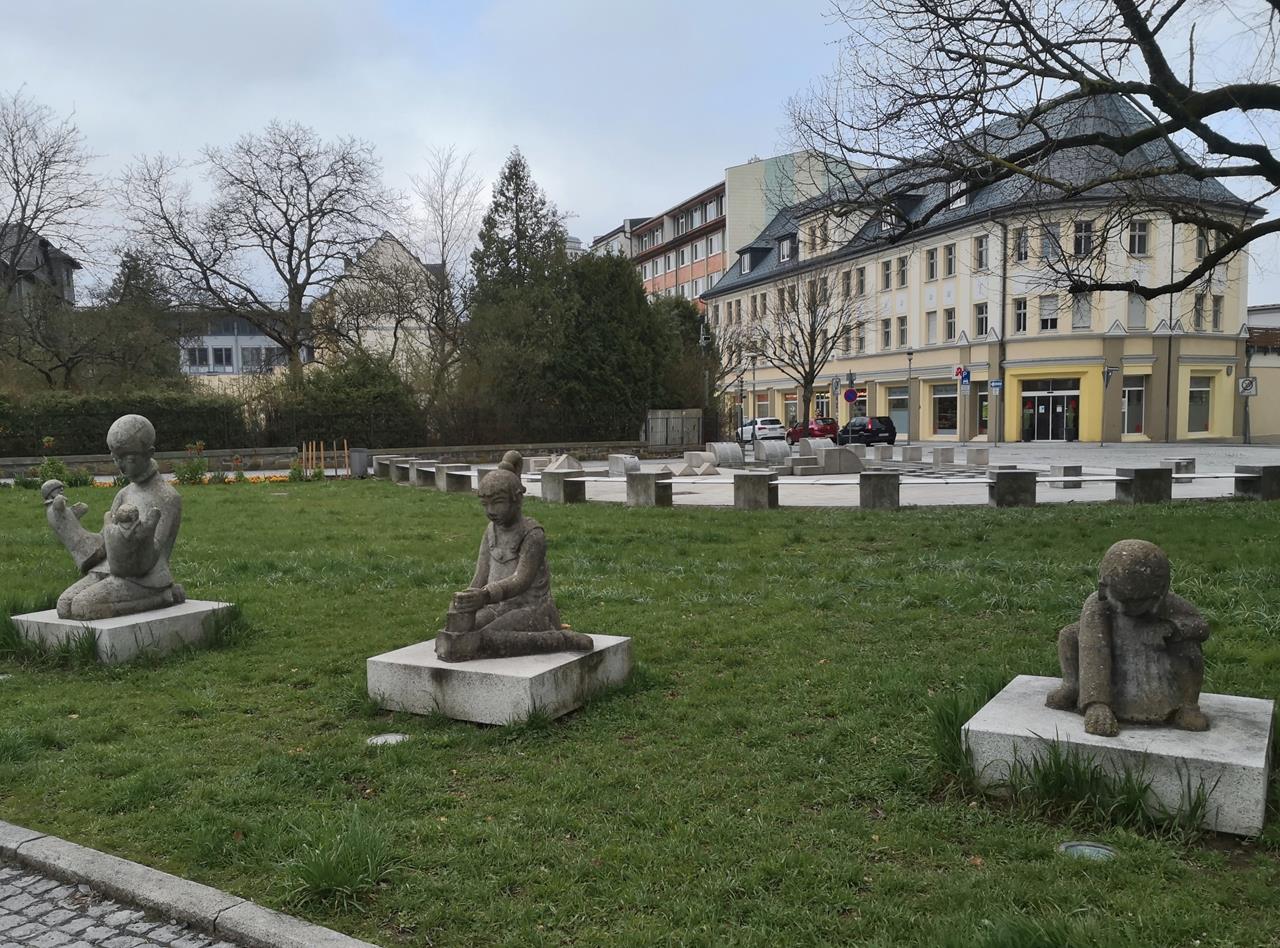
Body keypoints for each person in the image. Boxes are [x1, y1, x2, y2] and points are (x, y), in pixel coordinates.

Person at [436, 450, 592, 662]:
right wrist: (465, 601)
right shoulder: (490, 531)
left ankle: (560, 639)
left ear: (516, 499)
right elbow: (480, 576)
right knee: (458, 632)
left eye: (497, 502)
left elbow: (521, 581)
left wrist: (485, 595)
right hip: (496, 605)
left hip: (531, 608)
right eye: (485, 504)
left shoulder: (532, 534)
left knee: (485, 638)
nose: (490, 511)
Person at [1046, 539, 1209, 736]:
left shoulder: (1169, 604)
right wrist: (1096, 704)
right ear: (1103, 589)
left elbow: (1201, 627)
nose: (1130, 609)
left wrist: (1173, 629)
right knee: (1070, 635)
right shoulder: (1098, 605)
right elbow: (1094, 649)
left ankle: (1188, 707)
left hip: (1157, 673)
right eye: (1124, 601)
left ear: (1160, 591)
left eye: (1141, 601)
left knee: (1188, 646)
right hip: (1113, 675)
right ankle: (1072, 687)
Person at [53, 415, 185, 620]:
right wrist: (68, 524)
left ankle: (163, 595)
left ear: (149, 453)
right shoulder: (123, 494)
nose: (121, 467)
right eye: (116, 459)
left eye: (128, 459)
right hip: (109, 568)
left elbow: (153, 552)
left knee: (82, 606)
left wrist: (135, 537)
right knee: (64, 604)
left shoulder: (167, 497)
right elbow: (104, 543)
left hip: (144, 578)